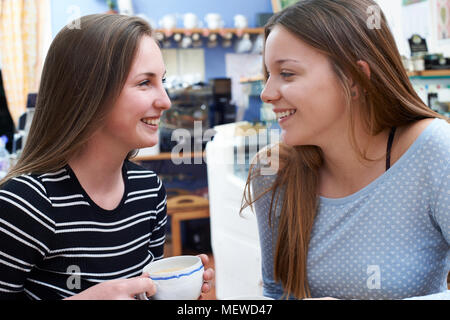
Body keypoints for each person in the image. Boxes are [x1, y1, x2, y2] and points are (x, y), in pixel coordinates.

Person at [242, 0, 449, 300]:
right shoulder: (272, 170)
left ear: (356, 78)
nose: (266, 93)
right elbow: (276, 293)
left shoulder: (434, 150)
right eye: (268, 75)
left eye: (287, 74)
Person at [0, 14, 213, 300]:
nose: (166, 101)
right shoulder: (25, 204)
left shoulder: (149, 191)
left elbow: (143, 294)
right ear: (89, 93)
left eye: (161, 81)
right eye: (144, 83)